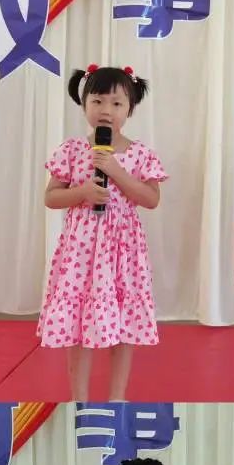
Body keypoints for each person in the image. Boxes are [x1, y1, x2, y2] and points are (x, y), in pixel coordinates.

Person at [38, 64, 167, 401]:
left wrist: (115, 171)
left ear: (130, 109)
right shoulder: (71, 150)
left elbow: (151, 199)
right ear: (84, 104)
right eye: (97, 101)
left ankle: (117, 397)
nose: (106, 110)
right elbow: (51, 198)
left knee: (123, 322)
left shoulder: (140, 154)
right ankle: (79, 397)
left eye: (116, 103)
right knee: (79, 323)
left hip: (123, 252)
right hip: (82, 250)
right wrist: (82, 192)